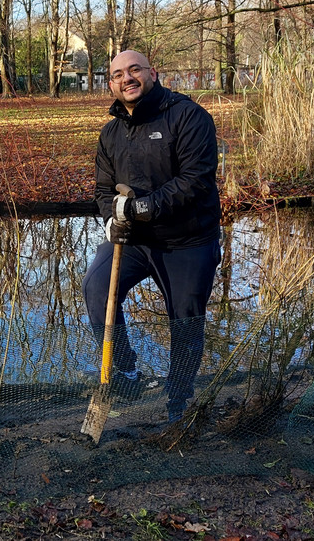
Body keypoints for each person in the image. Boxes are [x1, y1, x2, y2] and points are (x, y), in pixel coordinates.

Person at [82, 50, 222, 424]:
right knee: (96, 288)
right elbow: (102, 189)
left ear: (152, 73)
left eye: (134, 70)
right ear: (109, 84)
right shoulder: (111, 131)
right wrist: (112, 216)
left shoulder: (188, 116)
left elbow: (194, 181)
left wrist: (138, 209)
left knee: (184, 318)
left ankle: (179, 398)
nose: (126, 78)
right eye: (117, 74)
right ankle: (126, 374)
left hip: (187, 240)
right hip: (135, 241)